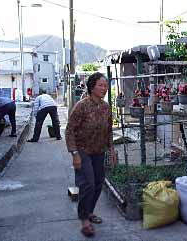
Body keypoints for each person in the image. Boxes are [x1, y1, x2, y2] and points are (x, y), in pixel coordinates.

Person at [65, 72, 117, 237]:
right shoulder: (82, 106)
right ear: (92, 87)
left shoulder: (106, 107)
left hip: (98, 151)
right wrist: (74, 154)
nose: (104, 88)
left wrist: (111, 149)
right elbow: (69, 131)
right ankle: (84, 220)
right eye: (101, 85)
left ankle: (89, 211)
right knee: (87, 183)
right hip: (82, 150)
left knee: (98, 183)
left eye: (106, 86)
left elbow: (108, 130)